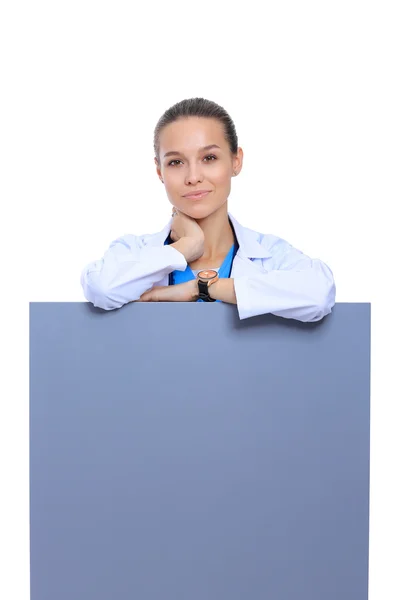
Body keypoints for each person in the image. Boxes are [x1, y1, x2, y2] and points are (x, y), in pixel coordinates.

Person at [80, 97, 336, 322]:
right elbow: (102, 288)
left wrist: (203, 288)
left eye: (209, 158)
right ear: (160, 171)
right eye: (176, 162)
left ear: (236, 161)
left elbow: (319, 294)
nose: (193, 177)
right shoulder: (134, 251)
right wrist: (185, 246)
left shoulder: (271, 254)